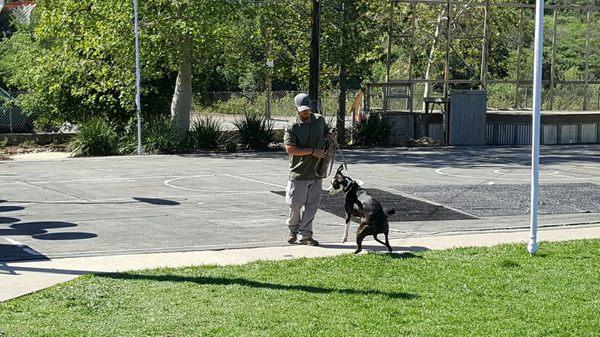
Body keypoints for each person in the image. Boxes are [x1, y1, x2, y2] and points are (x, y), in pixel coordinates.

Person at [283, 93, 328, 246]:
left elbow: (326, 135)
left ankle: (305, 235)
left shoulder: (320, 120)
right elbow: (290, 149)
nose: (305, 112)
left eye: (307, 109)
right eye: (302, 110)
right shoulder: (292, 126)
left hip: (317, 171)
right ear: (296, 109)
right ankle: (293, 230)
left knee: (312, 206)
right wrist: (312, 151)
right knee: (295, 204)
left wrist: (331, 138)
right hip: (299, 172)